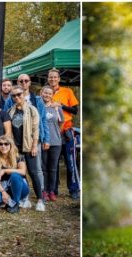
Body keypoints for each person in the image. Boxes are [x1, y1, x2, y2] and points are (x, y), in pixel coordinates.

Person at [8, 87, 44, 211]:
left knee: (33, 173)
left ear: (23, 94)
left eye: (19, 94)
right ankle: (26, 198)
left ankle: (40, 200)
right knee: (21, 175)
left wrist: (34, 145)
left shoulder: (32, 110)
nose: (17, 97)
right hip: (16, 149)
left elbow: (36, 129)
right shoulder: (10, 111)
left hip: (29, 147)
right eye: (14, 96)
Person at [47, 68, 80, 200]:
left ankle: (73, 189)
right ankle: (53, 190)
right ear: (48, 79)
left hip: (66, 131)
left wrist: (60, 105)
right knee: (53, 162)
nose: (53, 79)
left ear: (59, 79)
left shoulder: (67, 91)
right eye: (50, 77)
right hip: (52, 132)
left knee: (70, 161)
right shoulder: (45, 93)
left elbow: (75, 110)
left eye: (55, 77)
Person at [39, 85, 65, 202]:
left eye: (49, 93)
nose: (47, 95)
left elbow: (61, 122)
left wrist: (55, 132)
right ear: (41, 93)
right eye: (45, 93)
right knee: (43, 167)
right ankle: (44, 191)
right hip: (43, 141)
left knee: (53, 168)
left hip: (56, 142)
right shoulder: (38, 106)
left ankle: (52, 191)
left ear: (52, 95)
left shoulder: (57, 108)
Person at [0, 137, 29, 212]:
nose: (3, 146)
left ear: (11, 145)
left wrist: (5, 170)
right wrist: (3, 192)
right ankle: (8, 200)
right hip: (4, 187)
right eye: (0, 144)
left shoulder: (18, 157)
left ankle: (15, 203)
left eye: (6, 144)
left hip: (19, 187)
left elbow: (23, 171)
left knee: (15, 176)